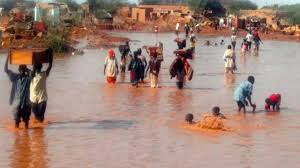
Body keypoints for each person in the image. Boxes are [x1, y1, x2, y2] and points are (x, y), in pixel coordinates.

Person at [4, 55, 31, 129]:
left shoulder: (28, 79)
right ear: (19, 70)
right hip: (17, 105)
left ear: (25, 70)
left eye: (23, 69)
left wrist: (27, 69)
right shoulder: (15, 77)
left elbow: (33, 75)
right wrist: (8, 57)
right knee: (16, 127)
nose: (22, 70)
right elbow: (6, 69)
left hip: (26, 105)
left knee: (26, 126)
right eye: (21, 68)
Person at [30, 48, 53, 123]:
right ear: (41, 67)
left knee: (39, 118)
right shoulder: (35, 74)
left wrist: (34, 57)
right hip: (37, 99)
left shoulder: (37, 74)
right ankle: (40, 131)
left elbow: (50, 67)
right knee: (39, 118)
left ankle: (39, 132)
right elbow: (50, 66)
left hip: (37, 99)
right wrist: (51, 55)